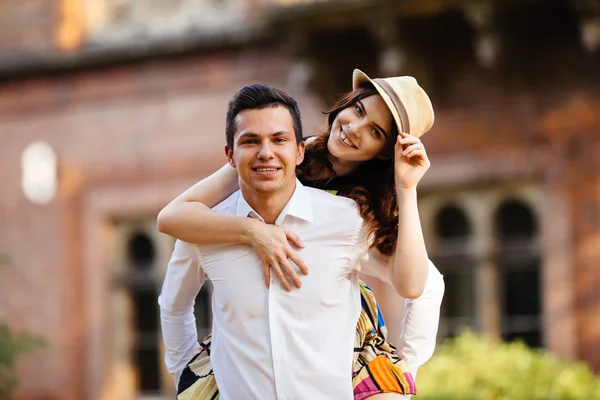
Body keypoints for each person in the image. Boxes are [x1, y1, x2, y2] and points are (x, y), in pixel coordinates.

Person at [159, 70, 443, 399]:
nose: (354, 128)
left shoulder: (365, 212)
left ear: (385, 150)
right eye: (359, 111)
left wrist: (406, 365)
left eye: (375, 131)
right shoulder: (278, 152)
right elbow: (173, 216)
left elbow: (423, 284)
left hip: (342, 327)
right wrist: (254, 232)